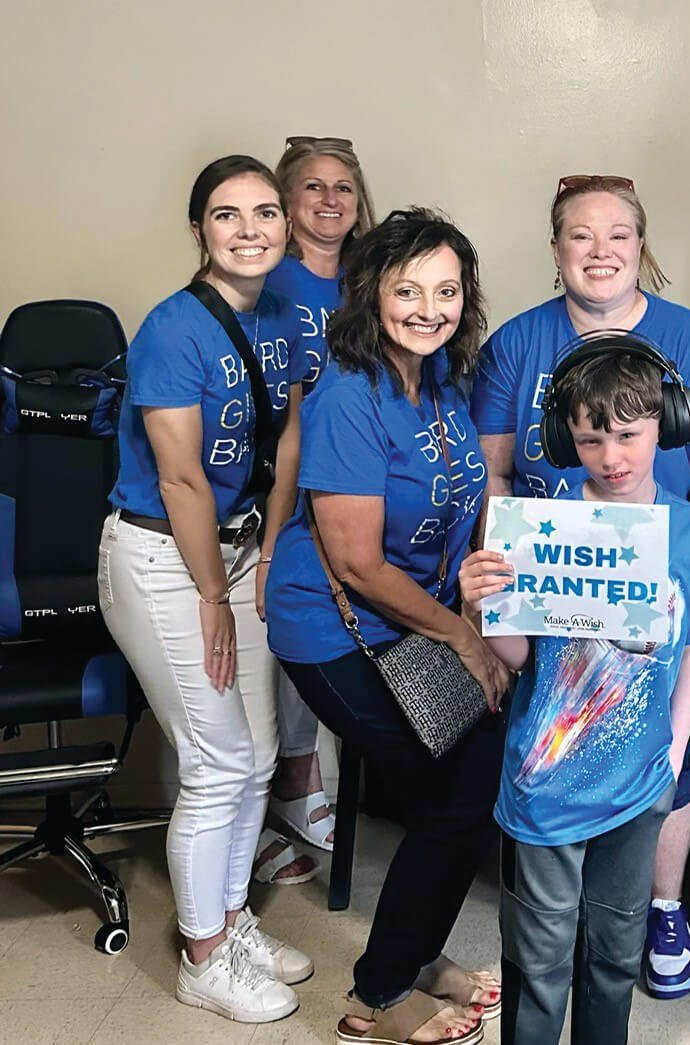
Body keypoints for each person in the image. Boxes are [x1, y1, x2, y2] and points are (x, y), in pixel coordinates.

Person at [470, 174, 690, 997]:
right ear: (555, 253)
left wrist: (686, 596)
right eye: (579, 236)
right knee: (557, 755)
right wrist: (501, 590)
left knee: (663, 748)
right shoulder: (516, 344)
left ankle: (660, 905)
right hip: (551, 607)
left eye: (618, 234)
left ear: (642, 247)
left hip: (655, 607)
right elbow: (492, 478)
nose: (599, 251)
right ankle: (563, 920)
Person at [265, 208, 505, 1045]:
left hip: (408, 621)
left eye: (446, 290)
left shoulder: (438, 378)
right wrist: (464, 636)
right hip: (331, 631)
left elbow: (459, 504)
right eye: (408, 289)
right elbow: (359, 562)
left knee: (471, 783)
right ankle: (380, 993)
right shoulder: (348, 391)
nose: (428, 308)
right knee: (457, 791)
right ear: (372, 291)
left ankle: (416, 952)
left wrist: (475, 597)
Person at [98, 154, 311, 1023]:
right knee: (218, 758)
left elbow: (290, 438)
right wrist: (213, 595)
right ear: (199, 231)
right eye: (228, 215)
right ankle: (201, 955)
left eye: (266, 212)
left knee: (257, 755)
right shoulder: (170, 328)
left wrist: (267, 552)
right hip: (160, 558)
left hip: (241, 550)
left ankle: (232, 920)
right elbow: (182, 479)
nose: (250, 229)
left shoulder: (290, 315)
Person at [249, 136, 376, 886]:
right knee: (272, 660)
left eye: (344, 189)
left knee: (324, 647)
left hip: (342, 489)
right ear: (285, 205)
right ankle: (288, 793)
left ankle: (300, 792)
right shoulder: (265, 281)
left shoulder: (369, 285)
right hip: (272, 489)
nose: (330, 201)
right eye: (313, 189)